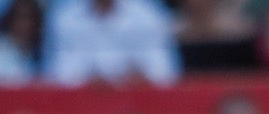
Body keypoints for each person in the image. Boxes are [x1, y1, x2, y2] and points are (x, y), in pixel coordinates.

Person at [46, 0, 178, 87]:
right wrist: (87, 79)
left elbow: (165, 73)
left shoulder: (149, 15)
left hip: (138, 104)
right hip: (83, 106)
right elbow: (57, 74)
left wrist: (140, 76)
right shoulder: (65, 18)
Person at [0, 0, 46, 82]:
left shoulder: (43, 54)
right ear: (11, 21)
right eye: (22, 18)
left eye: (31, 19)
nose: (26, 25)